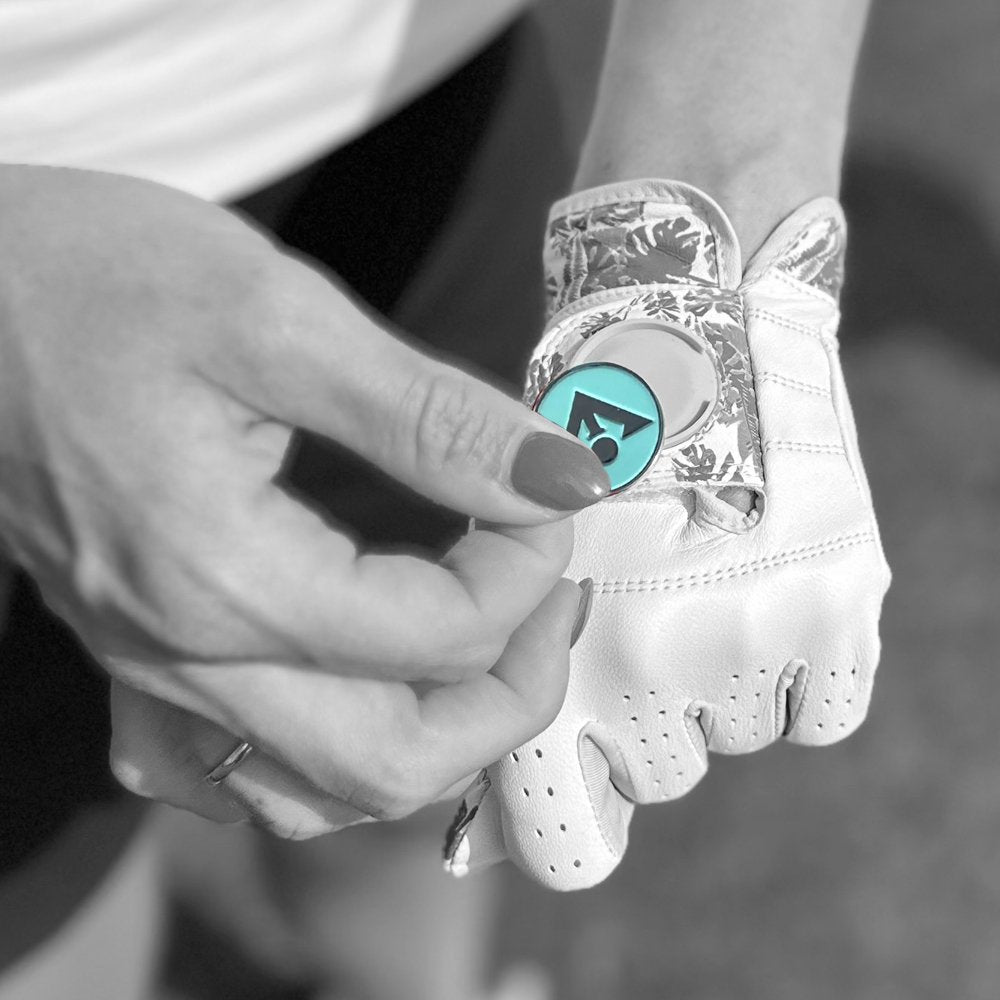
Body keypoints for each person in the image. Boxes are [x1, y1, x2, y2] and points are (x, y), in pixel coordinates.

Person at [0, 2, 883, 997]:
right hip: (33, 217)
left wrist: (712, 220)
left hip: (423, 106)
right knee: (40, 894)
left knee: (438, 727)